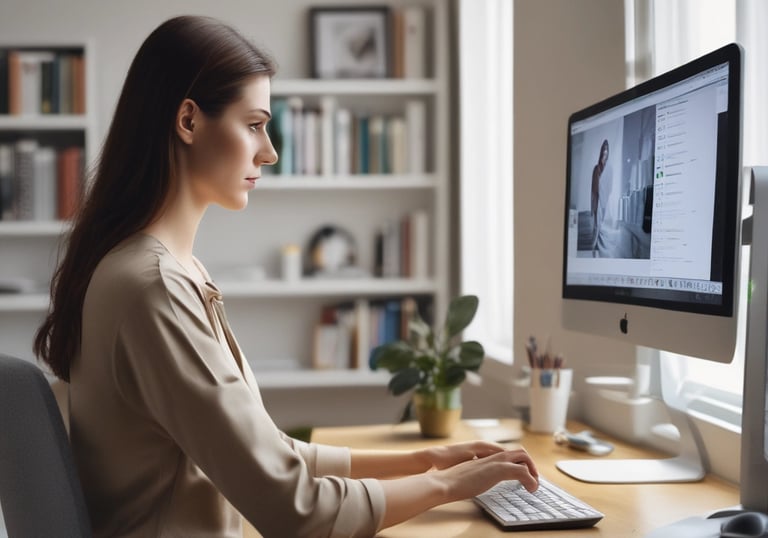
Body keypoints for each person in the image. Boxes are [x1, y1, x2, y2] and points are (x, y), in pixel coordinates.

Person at [33, 15, 539, 538]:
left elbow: (269, 454)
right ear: (188, 121)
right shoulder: (153, 286)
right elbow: (296, 510)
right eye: (254, 125)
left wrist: (425, 461)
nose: (269, 151)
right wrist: (450, 487)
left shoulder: (160, 269)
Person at [590, 139, 613, 256]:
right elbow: (593, 190)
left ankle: (600, 254)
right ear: (601, 152)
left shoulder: (609, 170)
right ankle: (593, 251)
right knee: (596, 227)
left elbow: (610, 188)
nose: (605, 154)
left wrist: (606, 202)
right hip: (597, 202)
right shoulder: (596, 169)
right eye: (603, 151)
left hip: (605, 203)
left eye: (606, 152)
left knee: (603, 229)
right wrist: (593, 206)